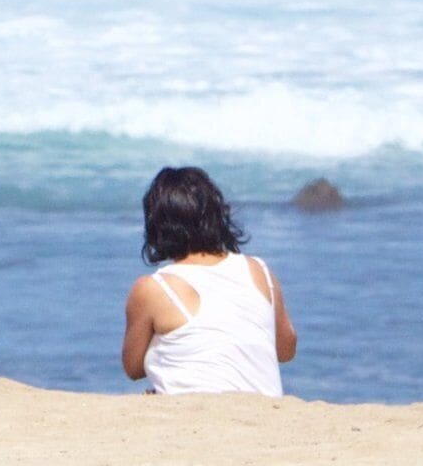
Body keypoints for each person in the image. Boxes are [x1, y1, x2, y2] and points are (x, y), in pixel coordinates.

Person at [120, 167, 296, 395]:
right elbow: (286, 350)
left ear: (157, 226)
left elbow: (133, 367)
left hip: (196, 417)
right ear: (216, 215)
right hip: (264, 412)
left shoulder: (153, 288)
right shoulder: (258, 270)